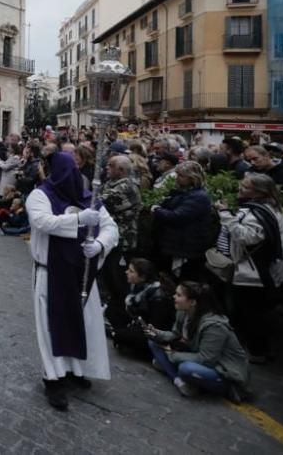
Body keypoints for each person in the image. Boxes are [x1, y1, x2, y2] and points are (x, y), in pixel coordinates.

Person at [26, 151, 119, 411]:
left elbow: (112, 228)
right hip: (50, 272)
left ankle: (75, 369)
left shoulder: (90, 198)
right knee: (50, 326)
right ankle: (53, 378)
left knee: (83, 323)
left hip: (82, 274)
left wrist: (99, 243)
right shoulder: (40, 195)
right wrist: (78, 219)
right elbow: (42, 222)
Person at [211, 173, 283, 364]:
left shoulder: (258, 212)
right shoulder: (267, 208)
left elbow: (246, 237)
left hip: (253, 273)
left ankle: (256, 351)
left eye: (245, 187)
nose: (240, 188)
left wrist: (225, 215)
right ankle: (253, 348)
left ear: (259, 192)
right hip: (255, 271)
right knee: (250, 313)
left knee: (250, 315)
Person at [145, 282, 249, 402]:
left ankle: (226, 388)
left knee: (186, 368)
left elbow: (207, 359)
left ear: (193, 302)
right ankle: (179, 380)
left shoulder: (214, 326)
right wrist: (156, 333)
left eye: (178, 295)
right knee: (154, 342)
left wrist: (173, 355)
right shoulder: (183, 312)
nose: (174, 297)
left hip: (223, 370)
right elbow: (175, 334)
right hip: (197, 354)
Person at [98, 154, 142, 328]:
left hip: (122, 240)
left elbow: (99, 201)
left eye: (110, 166)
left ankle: (120, 319)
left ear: (121, 170)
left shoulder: (126, 186)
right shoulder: (112, 183)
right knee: (108, 277)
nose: (107, 169)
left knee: (117, 280)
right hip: (111, 238)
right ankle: (111, 313)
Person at [151, 161, 213, 282]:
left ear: (192, 178)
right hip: (177, 242)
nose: (177, 178)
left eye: (180, 175)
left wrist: (157, 210)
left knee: (181, 279)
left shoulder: (198, 197)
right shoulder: (184, 192)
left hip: (186, 246)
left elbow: (177, 216)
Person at [110, 258, 174, 359]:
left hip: (154, 333)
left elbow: (155, 327)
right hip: (140, 325)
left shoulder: (158, 296)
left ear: (143, 277)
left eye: (131, 271)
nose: (126, 272)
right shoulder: (137, 288)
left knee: (120, 335)